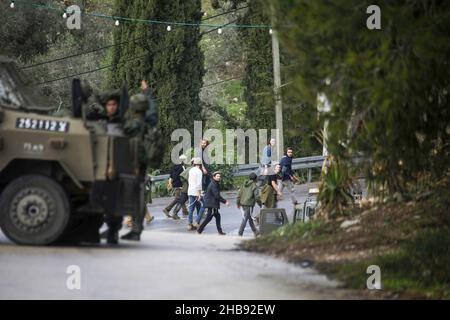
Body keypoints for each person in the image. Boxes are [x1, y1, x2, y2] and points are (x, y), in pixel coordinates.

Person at [120, 79, 161, 242]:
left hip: (132, 163)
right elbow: (152, 108)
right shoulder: (149, 120)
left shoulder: (133, 124)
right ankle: (135, 226)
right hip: (142, 162)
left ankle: (134, 228)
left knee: (131, 195)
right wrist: (147, 92)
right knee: (136, 195)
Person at [88, 91, 123, 244]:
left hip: (114, 169)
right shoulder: (99, 121)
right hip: (98, 168)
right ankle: (93, 231)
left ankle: (113, 232)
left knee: (114, 204)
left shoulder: (120, 123)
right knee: (95, 200)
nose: (111, 107)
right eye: (109, 104)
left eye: (114, 104)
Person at [163, 155, 188, 220]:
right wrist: (181, 185)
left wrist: (170, 184)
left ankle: (185, 211)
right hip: (180, 185)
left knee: (182, 197)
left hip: (175, 184)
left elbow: (171, 176)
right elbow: (184, 177)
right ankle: (167, 209)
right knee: (178, 198)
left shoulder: (174, 167)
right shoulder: (182, 167)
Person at [237, 173, 261, 237]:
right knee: (245, 219)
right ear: (255, 179)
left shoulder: (243, 184)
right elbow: (257, 197)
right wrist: (260, 204)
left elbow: (239, 194)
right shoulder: (254, 186)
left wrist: (238, 203)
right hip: (249, 204)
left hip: (243, 204)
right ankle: (240, 233)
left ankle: (255, 231)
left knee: (249, 218)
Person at [187, 157, 205, 231]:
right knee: (204, 205)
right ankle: (197, 222)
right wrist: (199, 194)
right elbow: (198, 183)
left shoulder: (191, 170)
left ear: (194, 163)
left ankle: (190, 224)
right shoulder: (199, 171)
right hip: (196, 192)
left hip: (190, 190)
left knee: (191, 208)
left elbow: (189, 180)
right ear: (200, 164)